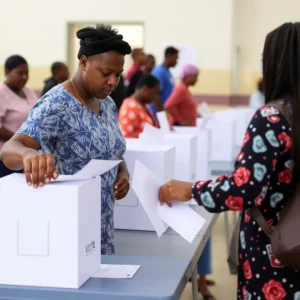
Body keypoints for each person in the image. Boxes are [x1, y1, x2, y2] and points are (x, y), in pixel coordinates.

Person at [159, 22, 300, 299]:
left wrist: (191, 190)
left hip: (276, 255)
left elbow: (244, 188)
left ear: (276, 63)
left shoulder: (271, 118)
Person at [0, 24, 132, 255]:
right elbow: (10, 149)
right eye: (106, 73)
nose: (113, 82)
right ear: (83, 62)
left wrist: (123, 172)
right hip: (67, 231)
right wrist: (28, 154)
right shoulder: (57, 104)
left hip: (102, 225)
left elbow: (113, 149)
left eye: (118, 75)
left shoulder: (108, 104)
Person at [0, 55, 38, 178]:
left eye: (27, 73)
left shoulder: (28, 91)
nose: (24, 77)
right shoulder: (1, 92)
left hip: (26, 154)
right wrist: (19, 141)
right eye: (20, 73)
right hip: (5, 155)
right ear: (6, 72)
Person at [151, 46, 179, 112]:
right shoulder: (159, 72)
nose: (177, 61)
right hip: (158, 113)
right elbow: (155, 94)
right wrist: (161, 113)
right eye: (176, 58)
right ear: (169, 56)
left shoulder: (167, 71)